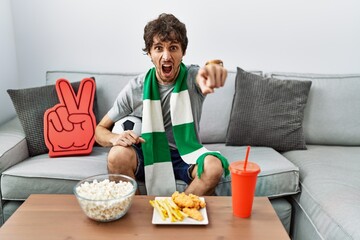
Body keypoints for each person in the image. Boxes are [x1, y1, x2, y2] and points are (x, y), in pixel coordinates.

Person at [95, 13, 229, 196]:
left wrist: (214, 70)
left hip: (185, 155)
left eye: (173, 48)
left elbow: (206, 74)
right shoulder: (137, 88)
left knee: (213, 167)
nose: (166, 56)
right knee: (117, 155)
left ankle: (176, 210)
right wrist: (114, 138)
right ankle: (139, 216)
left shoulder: (192, 77)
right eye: (159, 48)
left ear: (183, 52)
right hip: (148, 152)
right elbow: (99, 130)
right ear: (150, 53)